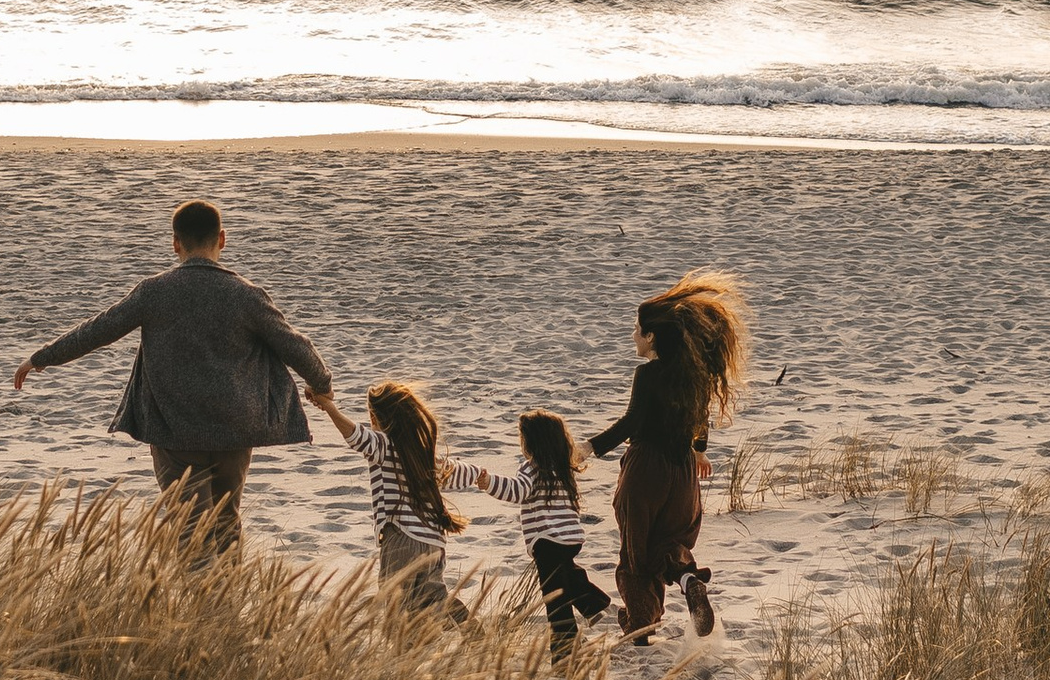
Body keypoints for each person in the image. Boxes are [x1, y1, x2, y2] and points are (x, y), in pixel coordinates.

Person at [11, 198, 331, 555]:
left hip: (173, 428)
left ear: (176, 242)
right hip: (235, 426)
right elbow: (295, 345)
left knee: (190, 528)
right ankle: (224, 605)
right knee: (226, 522)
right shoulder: (247, 295)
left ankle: (202, 603)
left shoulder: (154, 291)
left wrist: (42, 357)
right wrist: (321, 384)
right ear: (222, 239)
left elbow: (99, 329)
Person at [589, 271, 748, 642]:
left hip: (646, 470)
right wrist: (699, 452)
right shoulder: (698, 375)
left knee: (636, 552)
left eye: (637, 329)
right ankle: (688, 579)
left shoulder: (647, 375)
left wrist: (590, 447)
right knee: (669, 545)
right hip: (683, 476)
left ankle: (641, 626)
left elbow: (632, 421)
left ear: (652, 337)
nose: (634, 336)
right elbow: (700, 419)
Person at [452, 410, 614, 659]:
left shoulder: (532, 468)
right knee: (567, 575)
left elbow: (517, 491)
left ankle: (564, 655)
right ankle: (592, 604)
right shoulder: (563, 467)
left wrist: (488, 483)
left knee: (556, 602)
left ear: (531, 443)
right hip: (570, 539)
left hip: (547, 542)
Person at [315, 377, 481, 616]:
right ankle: (463, 622)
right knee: (432, 600)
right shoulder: (424, 452)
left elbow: (356, 436)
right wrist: (481, 475)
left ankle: (404, 649)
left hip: (401, 538)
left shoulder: (384, 445)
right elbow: (458, 471)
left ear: (375, 418)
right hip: (433, 542)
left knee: (395, 612)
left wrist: (330, 408)